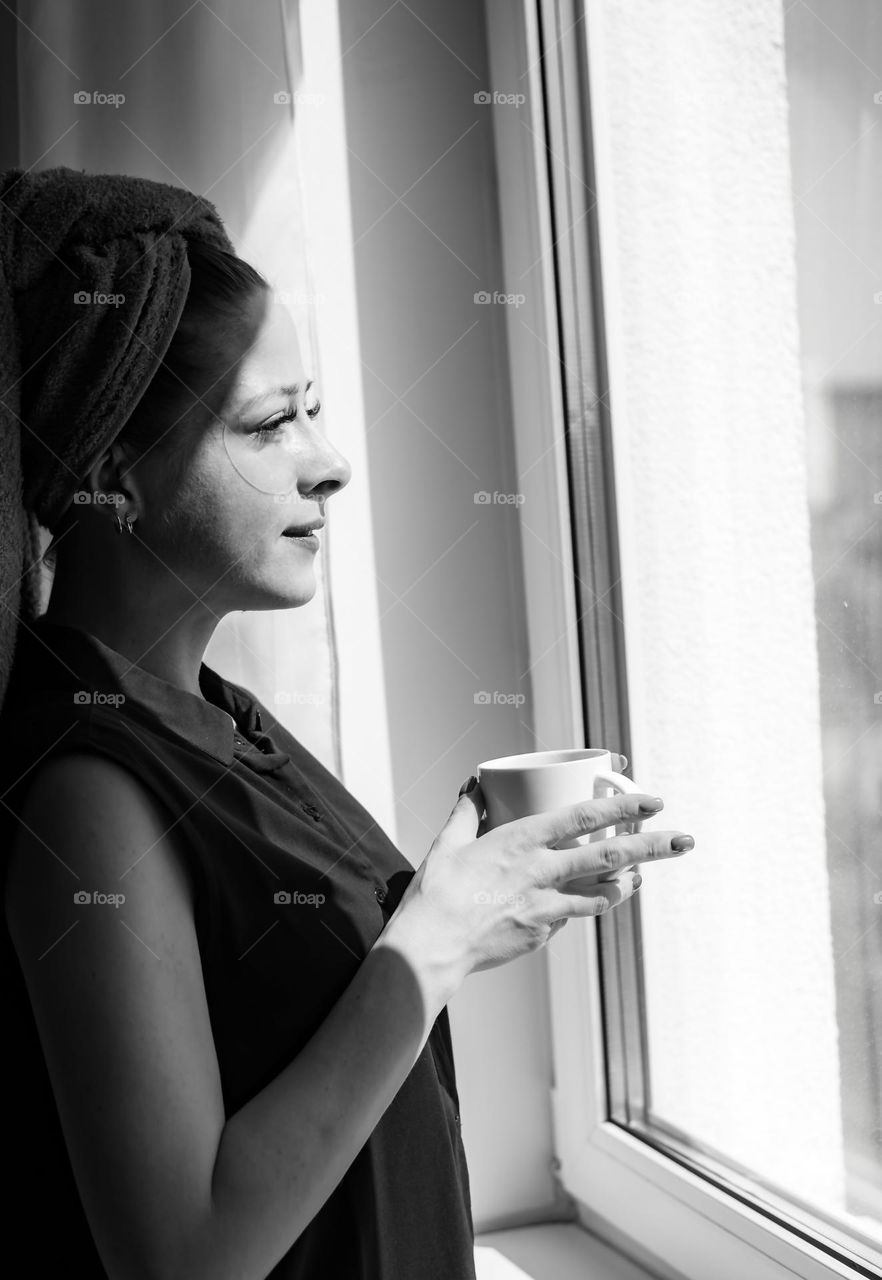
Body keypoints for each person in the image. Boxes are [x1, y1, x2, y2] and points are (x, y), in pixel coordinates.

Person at [0, 167, 695, 1280]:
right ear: (110, 474)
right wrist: (436, 935)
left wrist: (469, 895)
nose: (329, 463)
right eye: (274, 423)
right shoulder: (88, 795)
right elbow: (186, 1255)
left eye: (312, 409)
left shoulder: (218, 721)